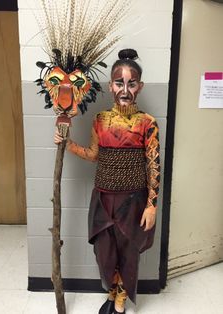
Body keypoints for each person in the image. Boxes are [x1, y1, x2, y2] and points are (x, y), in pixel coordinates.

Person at [54, 48, 160, 314]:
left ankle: (121, 299)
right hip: (103, 200)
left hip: (133, 202)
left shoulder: (147, 124)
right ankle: (111, 292)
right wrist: (68, 144)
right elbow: (93, 155)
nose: (125, 89)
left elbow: (153, 165)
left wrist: (151, 205)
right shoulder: (100, 120)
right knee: (105, 253)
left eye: (131, 83)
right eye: (119, 82)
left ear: (140, 86)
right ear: (110, 86)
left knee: (128, 252)